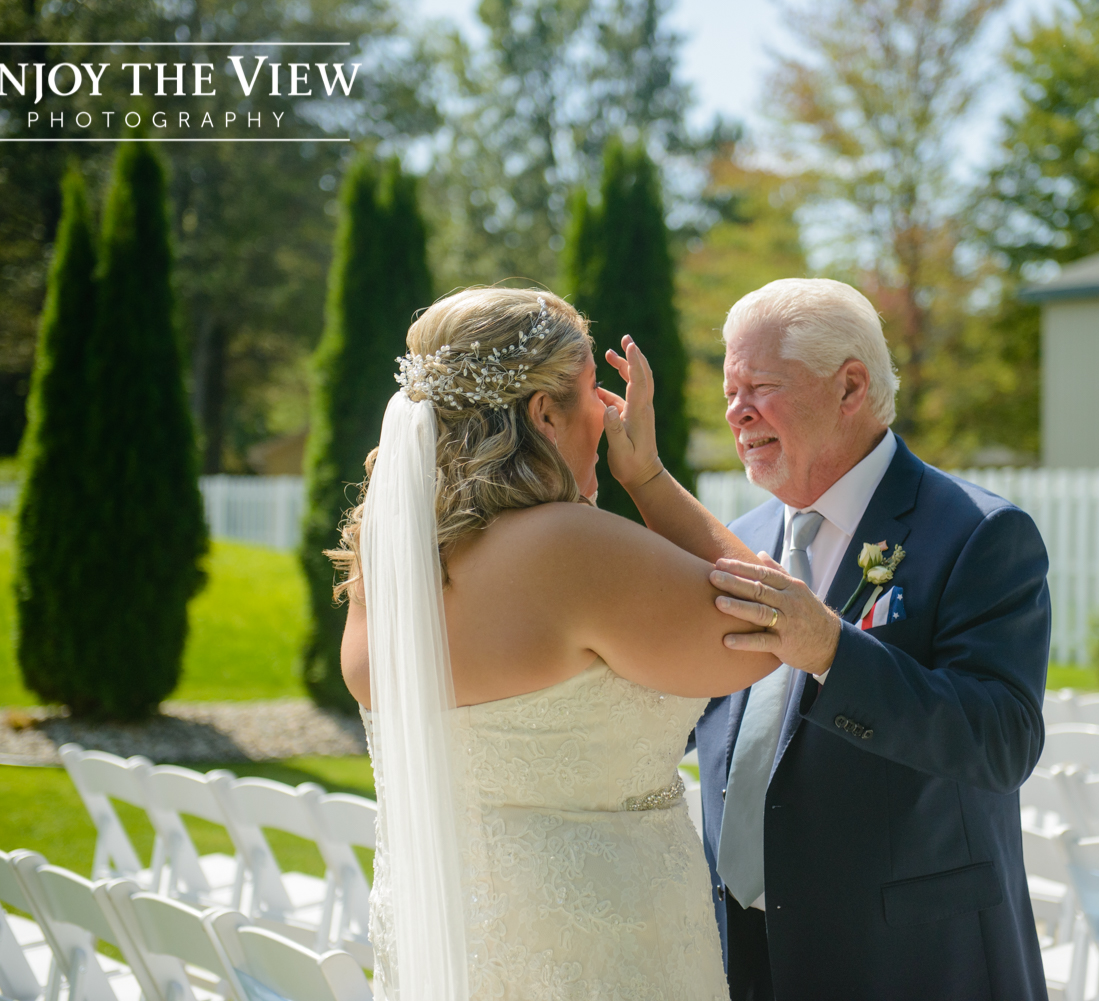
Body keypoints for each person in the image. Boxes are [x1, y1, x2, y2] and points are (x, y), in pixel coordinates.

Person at [328, 287, 781, 1001]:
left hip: (448, 951)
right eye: (593, 392)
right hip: (606, 958)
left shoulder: (384, 568)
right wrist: (648, 477)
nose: (608, 412)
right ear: (543, 413)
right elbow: (772, 625)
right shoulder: (569, 548)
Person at [696, 278, 1052, 1000]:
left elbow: (1002, 741)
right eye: (731, 391)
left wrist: (832, 650)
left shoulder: (978, 533)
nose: (737, 411)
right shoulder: (745, 535)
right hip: (746, 953)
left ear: (850, 387)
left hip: (908, 959)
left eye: (761, 386)